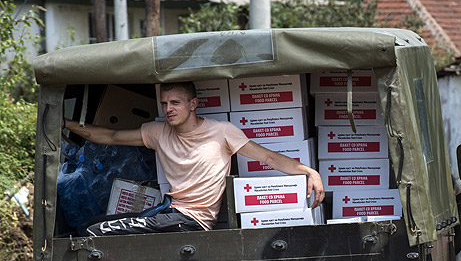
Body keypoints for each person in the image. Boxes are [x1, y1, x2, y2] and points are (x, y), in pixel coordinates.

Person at [64, 81, 324, 236]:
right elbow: (111, 135)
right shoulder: (157, 132)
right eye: (164, 103)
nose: (168, 109)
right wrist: (64, 123)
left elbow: (268, 157)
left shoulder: (221, 132)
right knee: (94, 224)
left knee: (94, 233)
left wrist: (309, 172)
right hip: (170, 211)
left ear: (193, 104)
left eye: (175, 102)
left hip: (192, 221)